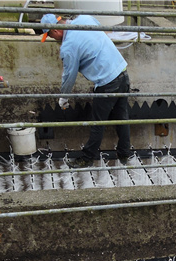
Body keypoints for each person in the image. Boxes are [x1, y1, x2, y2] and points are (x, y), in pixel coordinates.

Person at [41, 13, 134, 167]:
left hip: (107, 82)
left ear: (55, 31)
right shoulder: (85, 19)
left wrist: (63, 97)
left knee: (98, 123)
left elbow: (69, 76)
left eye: (50, 36)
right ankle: (124, 154)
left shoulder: (68, 46)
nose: (53, 39)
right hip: (122, 72)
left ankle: (87, 158)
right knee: (121, 118)